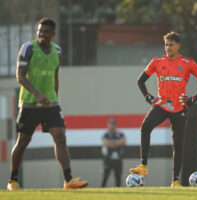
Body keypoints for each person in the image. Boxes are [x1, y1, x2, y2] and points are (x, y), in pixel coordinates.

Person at [7, 18, 88, 191]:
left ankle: (68, 180)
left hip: (50, 104)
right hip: (29, 103)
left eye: (45, 32)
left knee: (60, 136)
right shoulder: (28, 48)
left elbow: (55, 77)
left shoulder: (57, 51)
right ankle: (13, 180)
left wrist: (54, 100)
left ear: (53, 34)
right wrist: (37, 94)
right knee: (23, 141)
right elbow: (20, 76)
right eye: (39, 31)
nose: (41, 34)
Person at [129, 32, 197, 187]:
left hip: (179, 107)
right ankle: (143, 166)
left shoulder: (188, 63)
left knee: (178, 144)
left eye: (171, 45)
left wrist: (194, 99)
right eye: (166, 45)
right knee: (145, 126)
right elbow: (140, 81)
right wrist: (148, 97)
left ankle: (175, 181)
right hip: (161, 105)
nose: (168, 48)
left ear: (178, 45)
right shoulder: (157, 61)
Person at [101, 118, 126, 187]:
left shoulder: (120, 134)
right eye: (110, 124)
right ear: (108, 125)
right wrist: (116, 143)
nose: (112, 126)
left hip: (118, 160)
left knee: (118, 179)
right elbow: (106, 143)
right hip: (108, 160)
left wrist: (112, 143)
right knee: (104, 179)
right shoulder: (106, 134)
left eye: (113, 124)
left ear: (115, 125)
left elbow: (123, 142)